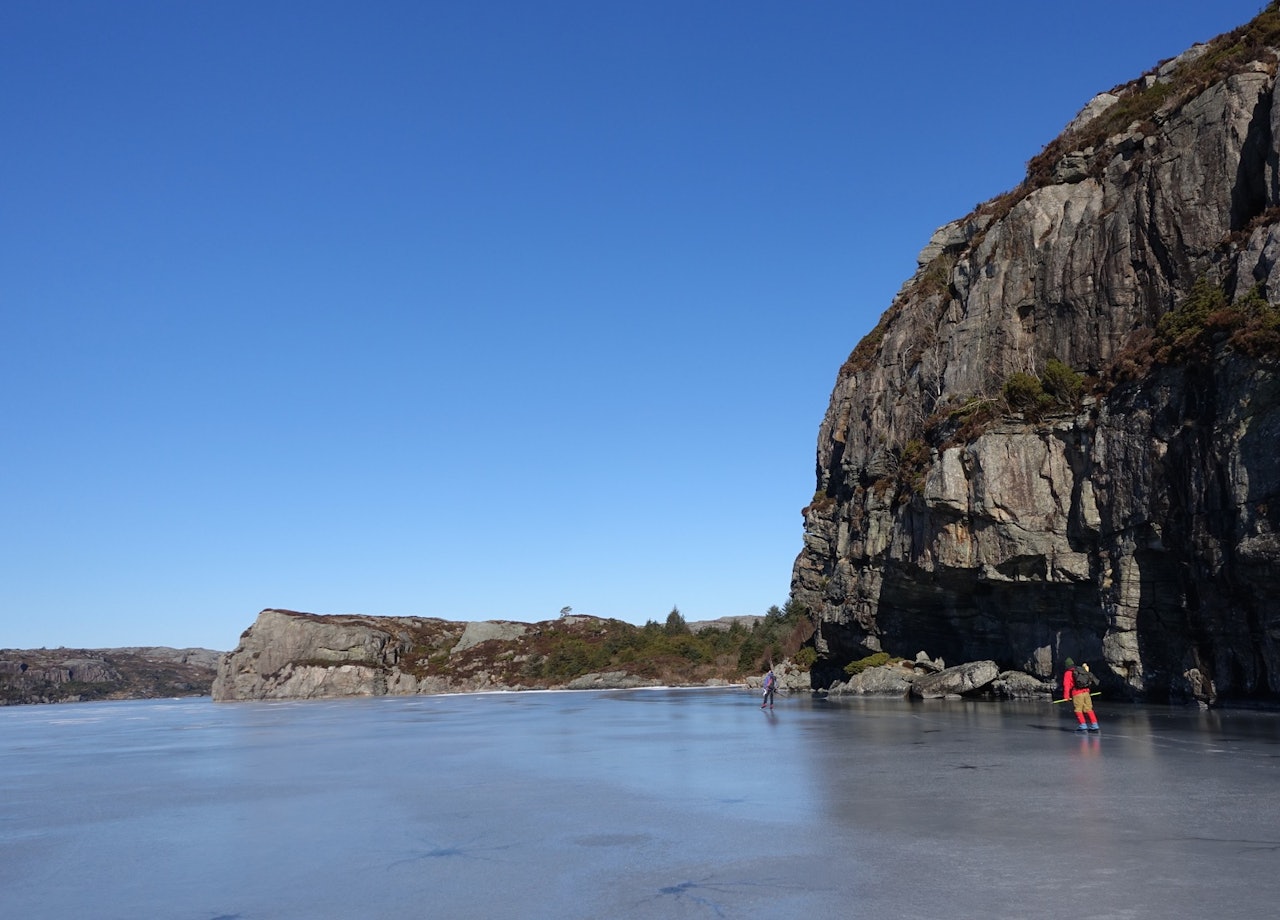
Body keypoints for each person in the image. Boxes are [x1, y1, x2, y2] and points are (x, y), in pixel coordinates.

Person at [1062, 657, 1099, 732]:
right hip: (1086, 692)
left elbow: (1067, 685)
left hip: (1077, 693)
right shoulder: (1080, 670)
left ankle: (1083, 726)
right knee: (1089, 709)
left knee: (1078, 709)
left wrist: (1066, 696)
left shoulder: (1068, 673)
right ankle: (1095, 725)